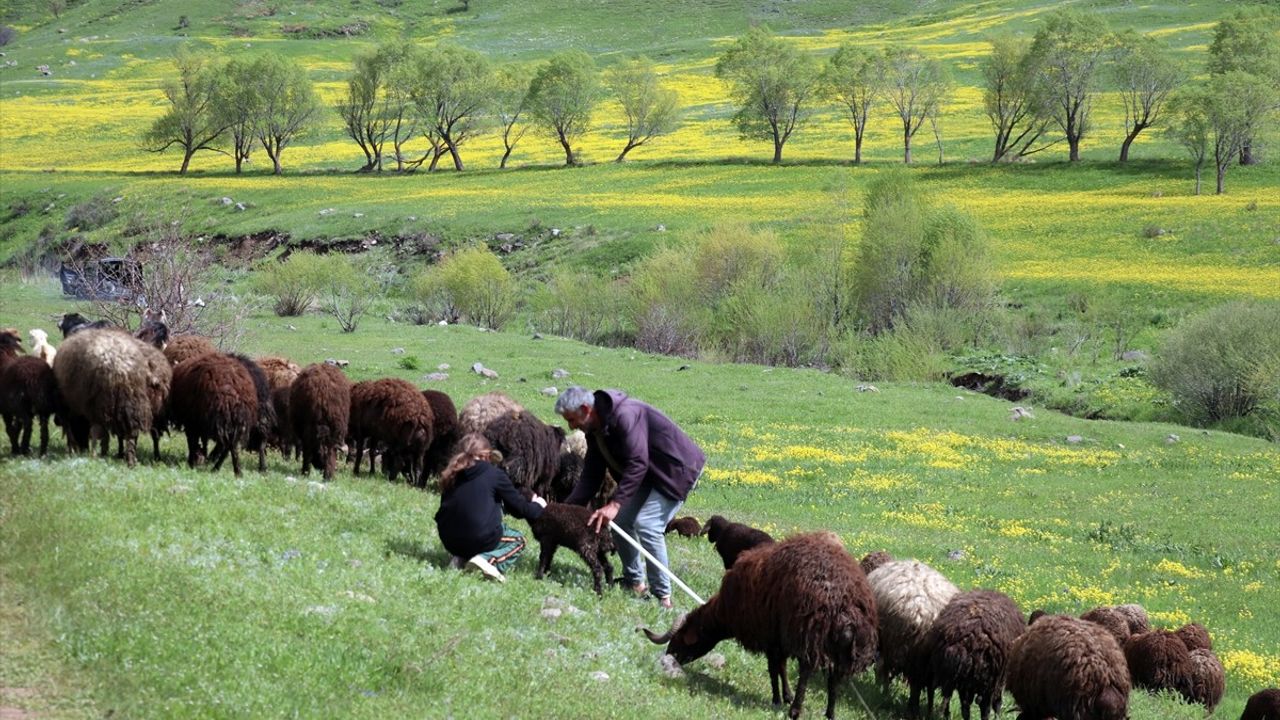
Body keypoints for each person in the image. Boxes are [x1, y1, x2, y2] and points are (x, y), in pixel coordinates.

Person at [555, 386, 705, 609]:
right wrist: (563, 510)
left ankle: (662, 599)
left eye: (572, 419)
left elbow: (638, 462)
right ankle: (635, 583)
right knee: (620, 523)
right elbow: (591, 475)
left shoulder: (625, 416)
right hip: (649, 474)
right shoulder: (595, 429)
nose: (571, 426)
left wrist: (615, 504)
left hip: (676, 470)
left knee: (648, 524)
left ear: (586, 409)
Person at [434, 433, 547, 582]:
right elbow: (522, 510)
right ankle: (488, 560)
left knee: (470, 529)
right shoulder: (495, 474)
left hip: (449, 540)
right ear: (487, 455)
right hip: (479, 538)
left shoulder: (452, 473)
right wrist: (539, 505)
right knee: (518, 540)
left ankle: (460, 558)